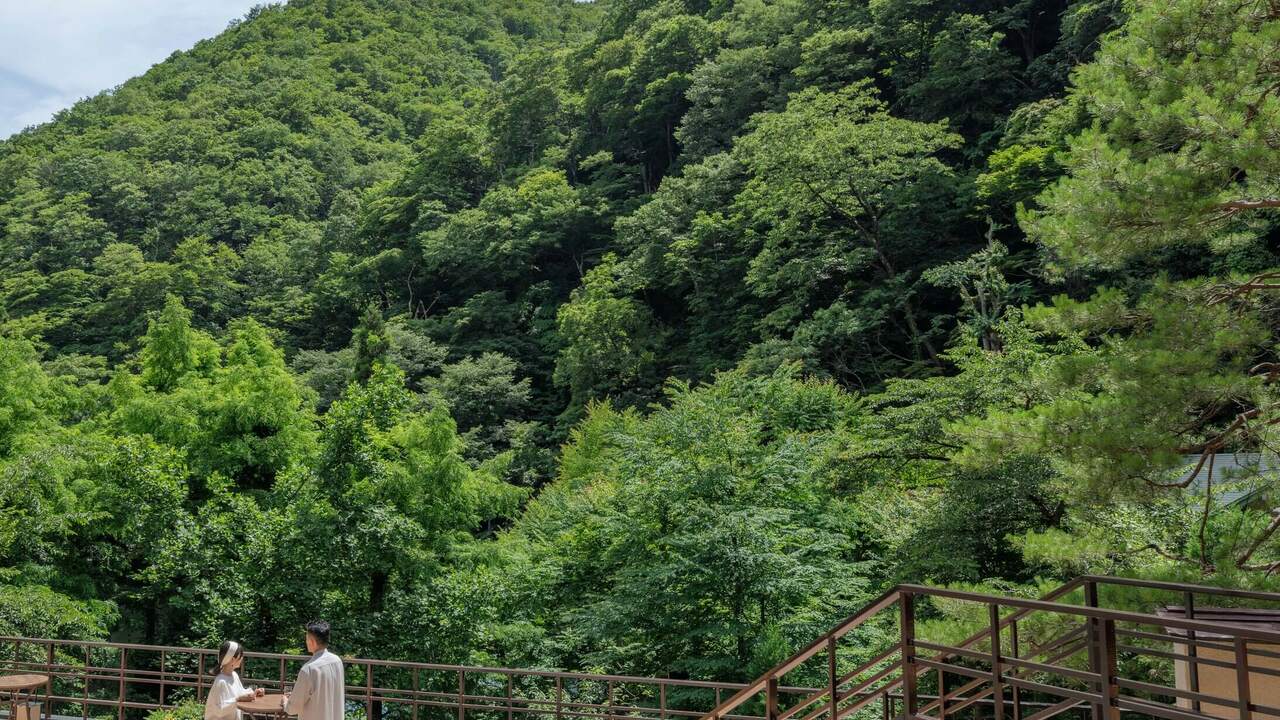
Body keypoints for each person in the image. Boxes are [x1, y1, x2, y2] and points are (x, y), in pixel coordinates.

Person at [283, 621, 344, 720]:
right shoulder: (337, 661)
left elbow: (293, 708)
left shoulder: (308, 669)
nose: (306, 641)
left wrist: (286, 701)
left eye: (307, 638)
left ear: (312, 642)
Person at [204, 641, 264, 720]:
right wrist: (237, 699)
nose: (242, 658)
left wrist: (254, 693)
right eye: (240, 656)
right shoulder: (221, 681)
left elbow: (241, 693)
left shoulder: (234, 675)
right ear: (232, 659)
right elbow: (219, 710)